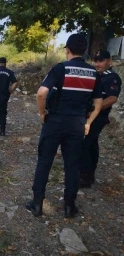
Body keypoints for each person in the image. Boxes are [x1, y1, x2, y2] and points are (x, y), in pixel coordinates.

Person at [25, 33, 103, 218]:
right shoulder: (94, 73)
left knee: (44, 162)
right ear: (85, 51)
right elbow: (98, 104)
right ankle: (69, 207)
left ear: (67, 50)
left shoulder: (61, 69)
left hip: (55, 122)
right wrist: (88, 123)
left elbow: (41, 93)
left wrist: (42, 113)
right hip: (77, 123)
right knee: (72, 165)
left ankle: (37, 204)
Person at [79, 50, 122, 188]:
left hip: (98, 117)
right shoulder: (97, 75)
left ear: (109, 61)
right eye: (96, 61)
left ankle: (85, 177)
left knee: (85, 144)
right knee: (92, 144)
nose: (97, 64)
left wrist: (94, 108)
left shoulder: (112, 77)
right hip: (90, 115)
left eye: (101, 61)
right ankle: (89, 173)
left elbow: (112, 98)